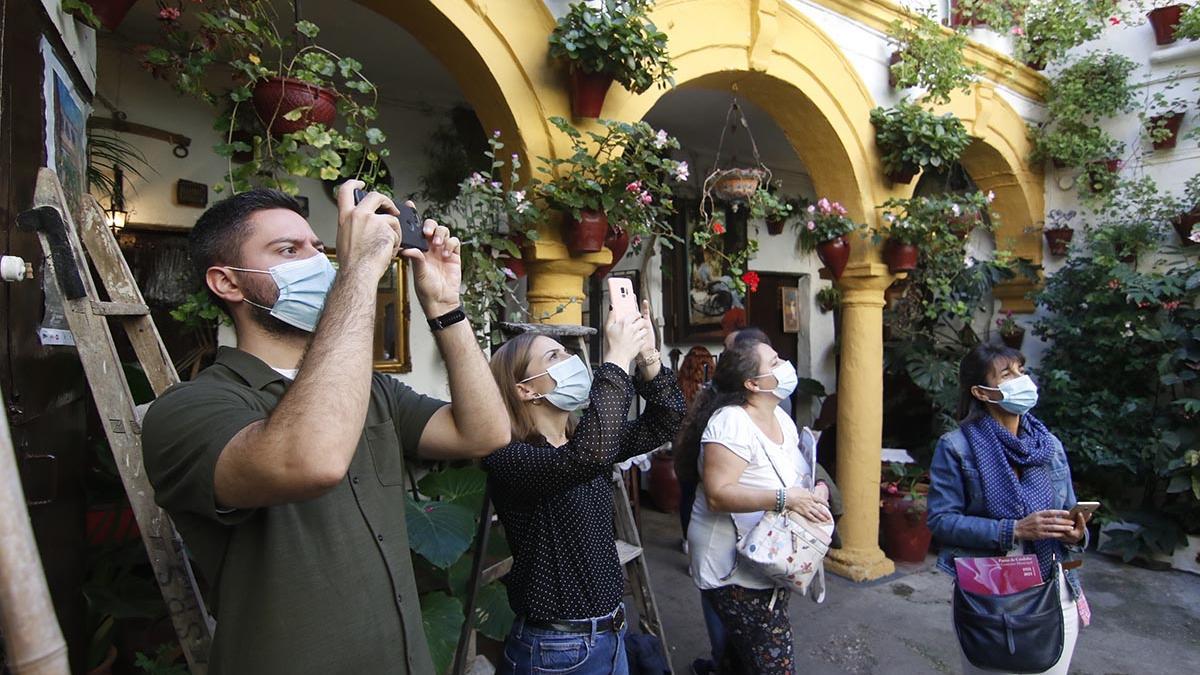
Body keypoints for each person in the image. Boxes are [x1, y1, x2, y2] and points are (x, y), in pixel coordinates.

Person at [141, 184, 511, 674]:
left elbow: (484, 433)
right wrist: (357, 274)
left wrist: (445, 306)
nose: (317, 262)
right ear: (228, 283)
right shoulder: (189, 409)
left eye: (318, 248)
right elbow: (311, 460)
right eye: (288, 250)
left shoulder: (374, 391)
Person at [484, 301, 685, 675]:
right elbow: (586, 458)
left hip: (609, 635)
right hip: (555, 651)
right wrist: (616, 359)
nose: (570, 359)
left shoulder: (582, 441)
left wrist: (647, 356)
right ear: (525, 390)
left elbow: (666, 420)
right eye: (554, 356)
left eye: (566, 351)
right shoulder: (510, 458)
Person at [928, 343, 1091, 675]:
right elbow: (941, 520)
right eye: (1007, 373)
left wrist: (1076, 532)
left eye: (1021, 370)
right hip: (989, 595)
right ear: (982, 392)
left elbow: (1070, 510)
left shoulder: (1049, 446)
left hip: (1055, 588)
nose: (1021, 380)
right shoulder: (956, 447)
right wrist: (1014, 529)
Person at [675, 340, 834, 674]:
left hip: (769, 558)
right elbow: (719, 494)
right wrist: (786, 498)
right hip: (732, 568)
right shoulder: (731, 422)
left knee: (742, 658)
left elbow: (796, 475)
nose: (785, 365)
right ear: (753, 384)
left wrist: (816, 489)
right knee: (774, 664)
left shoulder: (781, 419)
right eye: (775, 362)